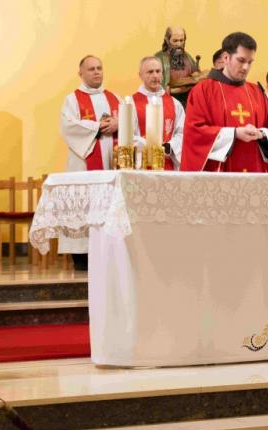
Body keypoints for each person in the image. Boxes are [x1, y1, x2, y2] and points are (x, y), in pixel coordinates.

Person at [180, 32, 268, 172]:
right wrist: (234, 133)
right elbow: (194, 133)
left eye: (250, 62)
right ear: (226, 58)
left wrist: (261, 134)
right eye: (241, 60)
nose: (246, 67)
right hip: (219, 175)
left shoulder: (257, 92)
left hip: (254, 174)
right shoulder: (203, 91)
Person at [59, 54, 121, 270]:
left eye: (99, 68)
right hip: (83, 164)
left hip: (111, 163)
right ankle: (81, 256)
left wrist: (118, 124)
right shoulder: (72, 99)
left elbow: (130, 125)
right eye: (91, 69)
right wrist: (97, 126)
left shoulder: (115, 98)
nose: (96, 72)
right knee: (84, 207)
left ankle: (110, 252)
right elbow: (68, 127)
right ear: (81, 73)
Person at [132, 56, 185, 170]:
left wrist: (170, 146)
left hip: (168, 164)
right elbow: (127, 136)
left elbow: (182, 132)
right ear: (140, 75)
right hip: (141, 165)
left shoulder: (174, 103)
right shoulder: (131, 103)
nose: (155, 75)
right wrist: (151, 146)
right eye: (150, 72)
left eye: (158, 71)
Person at [153, 26, 202, 107]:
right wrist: (173, 90)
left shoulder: (188, 57)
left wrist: (197, 77)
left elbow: (197, 77)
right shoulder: (158, 58)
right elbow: (153, 84)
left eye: (181, 40)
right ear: (167, 40)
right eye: (175, 41)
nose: (179, 44)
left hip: (187, 102)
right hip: (167, 103)